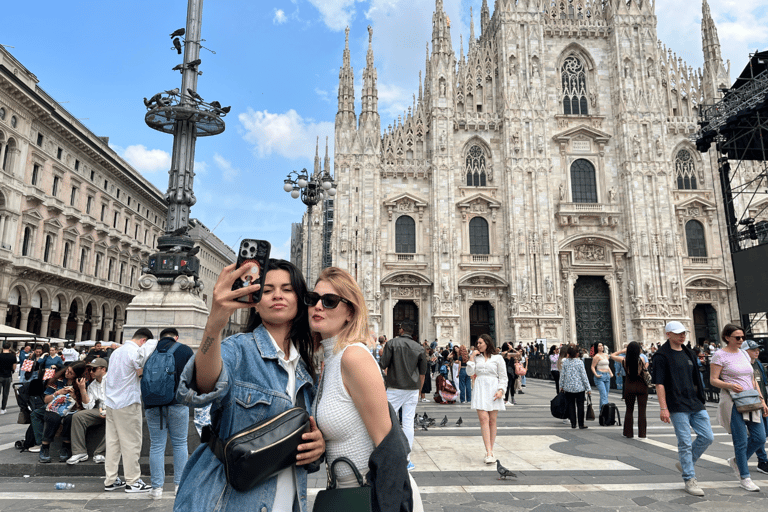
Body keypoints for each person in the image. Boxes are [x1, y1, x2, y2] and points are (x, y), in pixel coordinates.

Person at [175, 259, 324, 512]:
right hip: (226, 501)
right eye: (266, 290)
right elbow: (202, 385)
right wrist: (215, 324)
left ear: (300, 300)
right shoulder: (238, 349)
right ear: (254, 302)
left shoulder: (305, 369)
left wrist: (317, 446)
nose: (277, 295)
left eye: (287, 289)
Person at [311, 267, 422, 510]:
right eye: (313, 299)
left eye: (329, 301)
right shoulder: (330, 360)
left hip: (372, 495)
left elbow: (389, 448)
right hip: (345, 494)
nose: (318, 306)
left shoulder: (353, 357)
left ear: (350, 312)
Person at [654, 321, 714, 497]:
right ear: (668, 334)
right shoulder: (661, 356)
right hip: (677, 404)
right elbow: (659, 383)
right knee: (685, 442)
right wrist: (663, 408)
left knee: (708, 436)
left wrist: (701, 396)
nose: (683, 335)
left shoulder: (688, 351)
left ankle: (686, 462)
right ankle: (689, 478)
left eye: (684, 333)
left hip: (694, 401)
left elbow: (696, 376)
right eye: (678, 333)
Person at [709, 324, 766, 492]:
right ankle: (745, 477)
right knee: (740, 441)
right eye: (738, 337)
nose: (741, 340)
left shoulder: (743, 354)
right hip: (733, 401)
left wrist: (762, 399)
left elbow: (752, 378)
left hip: (751, 399)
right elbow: (713, 380)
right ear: (727, 337)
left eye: (743, 337)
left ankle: (736, 461)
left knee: (760, 437)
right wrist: (729, 385)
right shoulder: (719, 355)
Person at [143, 327, 194, 500]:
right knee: (180, 444)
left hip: (152, 404)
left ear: (161, 337)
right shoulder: (185, 350)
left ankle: (156, 488)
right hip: (178, 403)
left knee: (156, 445)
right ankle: (179, 485)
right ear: (176, 337)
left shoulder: (148, 350)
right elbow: (194, 377)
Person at [103, 328, 155, 493]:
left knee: (113, 443)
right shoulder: (135, 352)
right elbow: (141, 372)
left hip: (111, 402)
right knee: (131, 442)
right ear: (143, 341)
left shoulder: (116, 352)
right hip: (127, 402)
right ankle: (132, 481)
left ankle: (110, 480)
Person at [379, 319, 427, 471]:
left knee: (386, 420)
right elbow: (423, 372)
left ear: (401, 330)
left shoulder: (392, 343)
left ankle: (387, 455)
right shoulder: (419, 347)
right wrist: (418, 390)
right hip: (412, 388)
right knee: (408, 422)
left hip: (394, 387)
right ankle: (406, 459)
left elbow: (382, 364)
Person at [467, 334, 507, 464]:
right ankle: (489, 452)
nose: (477, 345)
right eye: (477, 343)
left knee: (492, 420)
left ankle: (491, 448)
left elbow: (503, 376)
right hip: (480, 389)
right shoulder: (476, 358)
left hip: (493, 389)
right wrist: (471, 357)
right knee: (484, 419)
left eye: (480, 343)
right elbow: (469, 372)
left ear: (487, 343)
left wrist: (501, 390)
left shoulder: (498, 358)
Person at [38, 361, 89, 463]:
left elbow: (85, 405)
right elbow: (46, 400)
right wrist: (58, 393)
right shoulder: (58, 380)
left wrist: (75, 396)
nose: (67, 373)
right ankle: (45, 447)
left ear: (77, 375)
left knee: (71, 418)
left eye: (70, 373)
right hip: (55, 408)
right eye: (67, 370)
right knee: (53, 417)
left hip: (73, 410)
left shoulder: (81, 382)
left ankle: (65, 447)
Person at [67, 358, 109, 465]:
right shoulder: (92, 385)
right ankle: (79, 452)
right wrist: (82, 389)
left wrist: (110, 410)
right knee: (78, 416)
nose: (91, 372)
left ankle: (100, 452)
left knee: (116, 419)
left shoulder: (113, 380)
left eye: (94, 369)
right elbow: (88, 407)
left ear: (103, 369)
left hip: (115, 410)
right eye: (90, 369)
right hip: (100, 410)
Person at [740, 340, 768, 474]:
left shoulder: (758, 364)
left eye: (758, 349)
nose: (757, 352)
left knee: (762, 434)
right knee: (759, 435)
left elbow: (762, 383)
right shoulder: (743, 365)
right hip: (751, 403)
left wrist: (764, 401)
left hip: (761, 402)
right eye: (753, 350)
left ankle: (741, 458)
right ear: (745, 351)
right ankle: (762, 460)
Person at [611, 342, 648, 438]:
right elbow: (646, 367)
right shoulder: (642, 359)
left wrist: (622, 351)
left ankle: (628, 432)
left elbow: (612, 355)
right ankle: (642, 433)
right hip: (642, 386)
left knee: (629, 410)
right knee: (642, 410)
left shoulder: (624, 360)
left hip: (629, 386)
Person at [560, 344, 591, 429]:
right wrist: (588, 388)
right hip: (579, 388)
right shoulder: (580, 362)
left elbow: (562, 375)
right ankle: (581, 424)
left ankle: (573, 423)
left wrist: (561, 386)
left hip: (568, 388)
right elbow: (584, 376)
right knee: (580, 406)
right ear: (577, 354)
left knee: (571, 406)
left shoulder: (565, 362)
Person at [591, 342, 613, 409]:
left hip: (607, 375)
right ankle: (606, 411)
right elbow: (592, 366)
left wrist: (611, 372)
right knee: (603, 394)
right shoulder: (596, 356)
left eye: (602, 346)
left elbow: (607, 365)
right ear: (597, 348)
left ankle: (602, 410)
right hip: (600, 375)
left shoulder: (606, 355)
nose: (601, 347)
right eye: (599, 346)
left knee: (605, 394)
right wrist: (596, 374)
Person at [0, 342, 16, 414]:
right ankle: (3, 408)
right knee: (5, 393)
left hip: (0, 375)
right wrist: (12, 371)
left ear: (2, 347)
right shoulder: (12, 356)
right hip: (8, 376)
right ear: (9, 348)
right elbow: (14, 366)